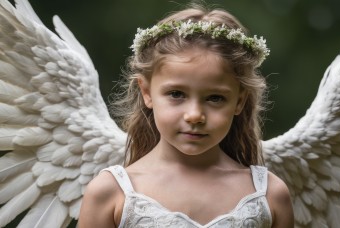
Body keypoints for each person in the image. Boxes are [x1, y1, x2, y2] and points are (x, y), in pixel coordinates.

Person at [78, 3, 294, 228]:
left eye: (215, 98)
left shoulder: (269, 195)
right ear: (146, 93)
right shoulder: (109, 193)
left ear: (239, 100)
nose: (195, 115)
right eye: (176, 94)